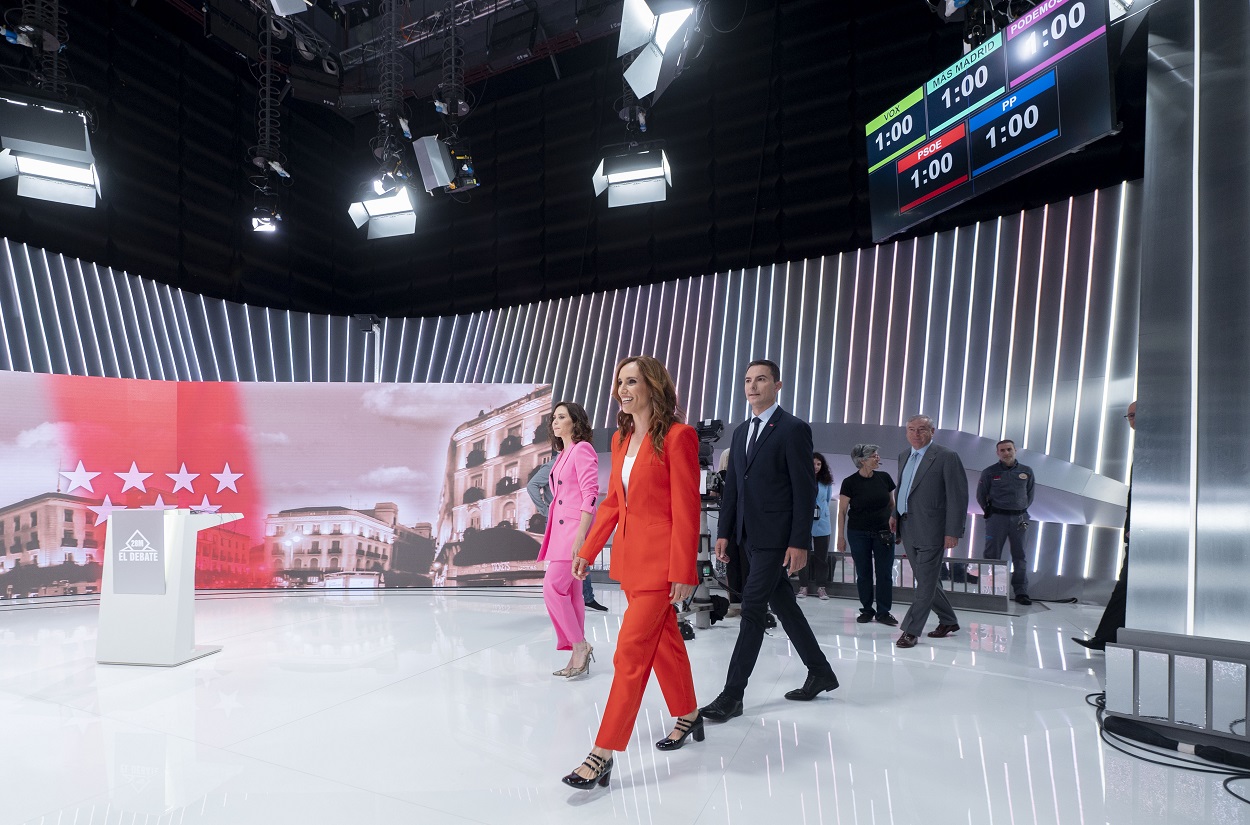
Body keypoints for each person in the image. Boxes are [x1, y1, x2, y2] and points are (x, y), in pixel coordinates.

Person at [562, 356, 703, 790]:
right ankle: (690, 713)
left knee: (629, 654)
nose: (622, 389)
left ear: (653, 386)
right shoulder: (623, 438)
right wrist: (588, 548)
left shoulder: (679, 438)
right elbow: (611, 504)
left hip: (661, 567)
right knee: (665, 645)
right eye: (619, 382)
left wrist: (683, 569)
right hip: (630, 560)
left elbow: (686, 508)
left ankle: (602, 752)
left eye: (632, 381)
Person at [701, 359, 839, 723]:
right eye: (747, 380)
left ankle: (732, 695)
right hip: (747, 536)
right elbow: (733, 488)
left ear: (777, 385)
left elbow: (804, 488)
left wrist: (800, 541)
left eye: (761, 379)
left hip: (777, 538)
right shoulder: (741, 432)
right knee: (786, 607)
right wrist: (726, 532)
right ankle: (820, 671)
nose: (752, 386)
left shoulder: (793, 429)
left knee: (752, 610)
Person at [889, 414, 969, 649]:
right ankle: (948, 620)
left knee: (924, 584)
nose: (916, 434)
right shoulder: (904, 455)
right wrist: (895, 515)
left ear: (932, 432)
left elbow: (958, 497)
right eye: (911, 429)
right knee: (927, 580)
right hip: (908, 526)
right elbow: (903, 489)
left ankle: (911, 630)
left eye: (922, 429)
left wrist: (952, 531)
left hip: (933, 530)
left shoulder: (946, 457)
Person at [534, 402, 600, 678]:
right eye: (553, 418)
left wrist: (582, 536)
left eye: (561, 417)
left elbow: (591, 493)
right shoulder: (562, 453)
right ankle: (577, 655)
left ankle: (580, 644)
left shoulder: (582, 449)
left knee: (552, 587)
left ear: (575, 422)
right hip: (560, 530)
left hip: (574, 530)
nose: (555, 422)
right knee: (572, 594)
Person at [1073, 401, 1135, 651]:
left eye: (1134, 415)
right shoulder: (1143, 446)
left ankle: (1107, 638)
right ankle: (1107, 638)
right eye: (1128, 415)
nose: (1131, 420)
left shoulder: (1157, 447)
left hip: (1151, 533)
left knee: (1125, 587)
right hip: (1139, 531)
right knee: (1124, 586)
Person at [527, 458, 608, 612]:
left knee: (579, 557)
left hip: (574, 521)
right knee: (566, 561)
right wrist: (546, 510)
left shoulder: (572, 460)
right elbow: (532, 485)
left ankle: (586, 597)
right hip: (561, 523)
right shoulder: (553, 465)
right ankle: (577, 599)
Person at [837, 444, 898, 625]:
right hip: (858, 533)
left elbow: (892, 506)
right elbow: (842, 511)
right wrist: (840, 537)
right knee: (864, 573)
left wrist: (898, 528)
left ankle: (884, 612)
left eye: (877, 455)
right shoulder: (849, 482)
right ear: (862, 460)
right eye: (874, 456)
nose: (878, 458)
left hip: (883, 533)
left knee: (885, 573)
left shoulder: (885, 478)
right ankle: (867, 610)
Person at [976, 439, 1035, 606]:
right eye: (1002, 450)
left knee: (1020, 556)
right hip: (997, 518)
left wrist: (1019, 509)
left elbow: (1029, 495)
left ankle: (1021, 592)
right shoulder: (989, 472)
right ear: (997, 453)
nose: (1006, 453)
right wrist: (990, 512)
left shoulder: (1027, 471)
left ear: (1015, 450)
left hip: (1019, 519)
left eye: (1009, 449)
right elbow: (981, 495)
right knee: (991, 556)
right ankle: (989, 590)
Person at [798, 452, 835, 599]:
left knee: (822, 557)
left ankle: (821, 587)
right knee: (802, 557)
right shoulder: (800, 479)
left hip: (822, 523)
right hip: (804, 523)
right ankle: (803, 587)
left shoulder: (826, 482)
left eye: (819, 464)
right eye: (813, 463)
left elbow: (826, 500)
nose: (816, 466)